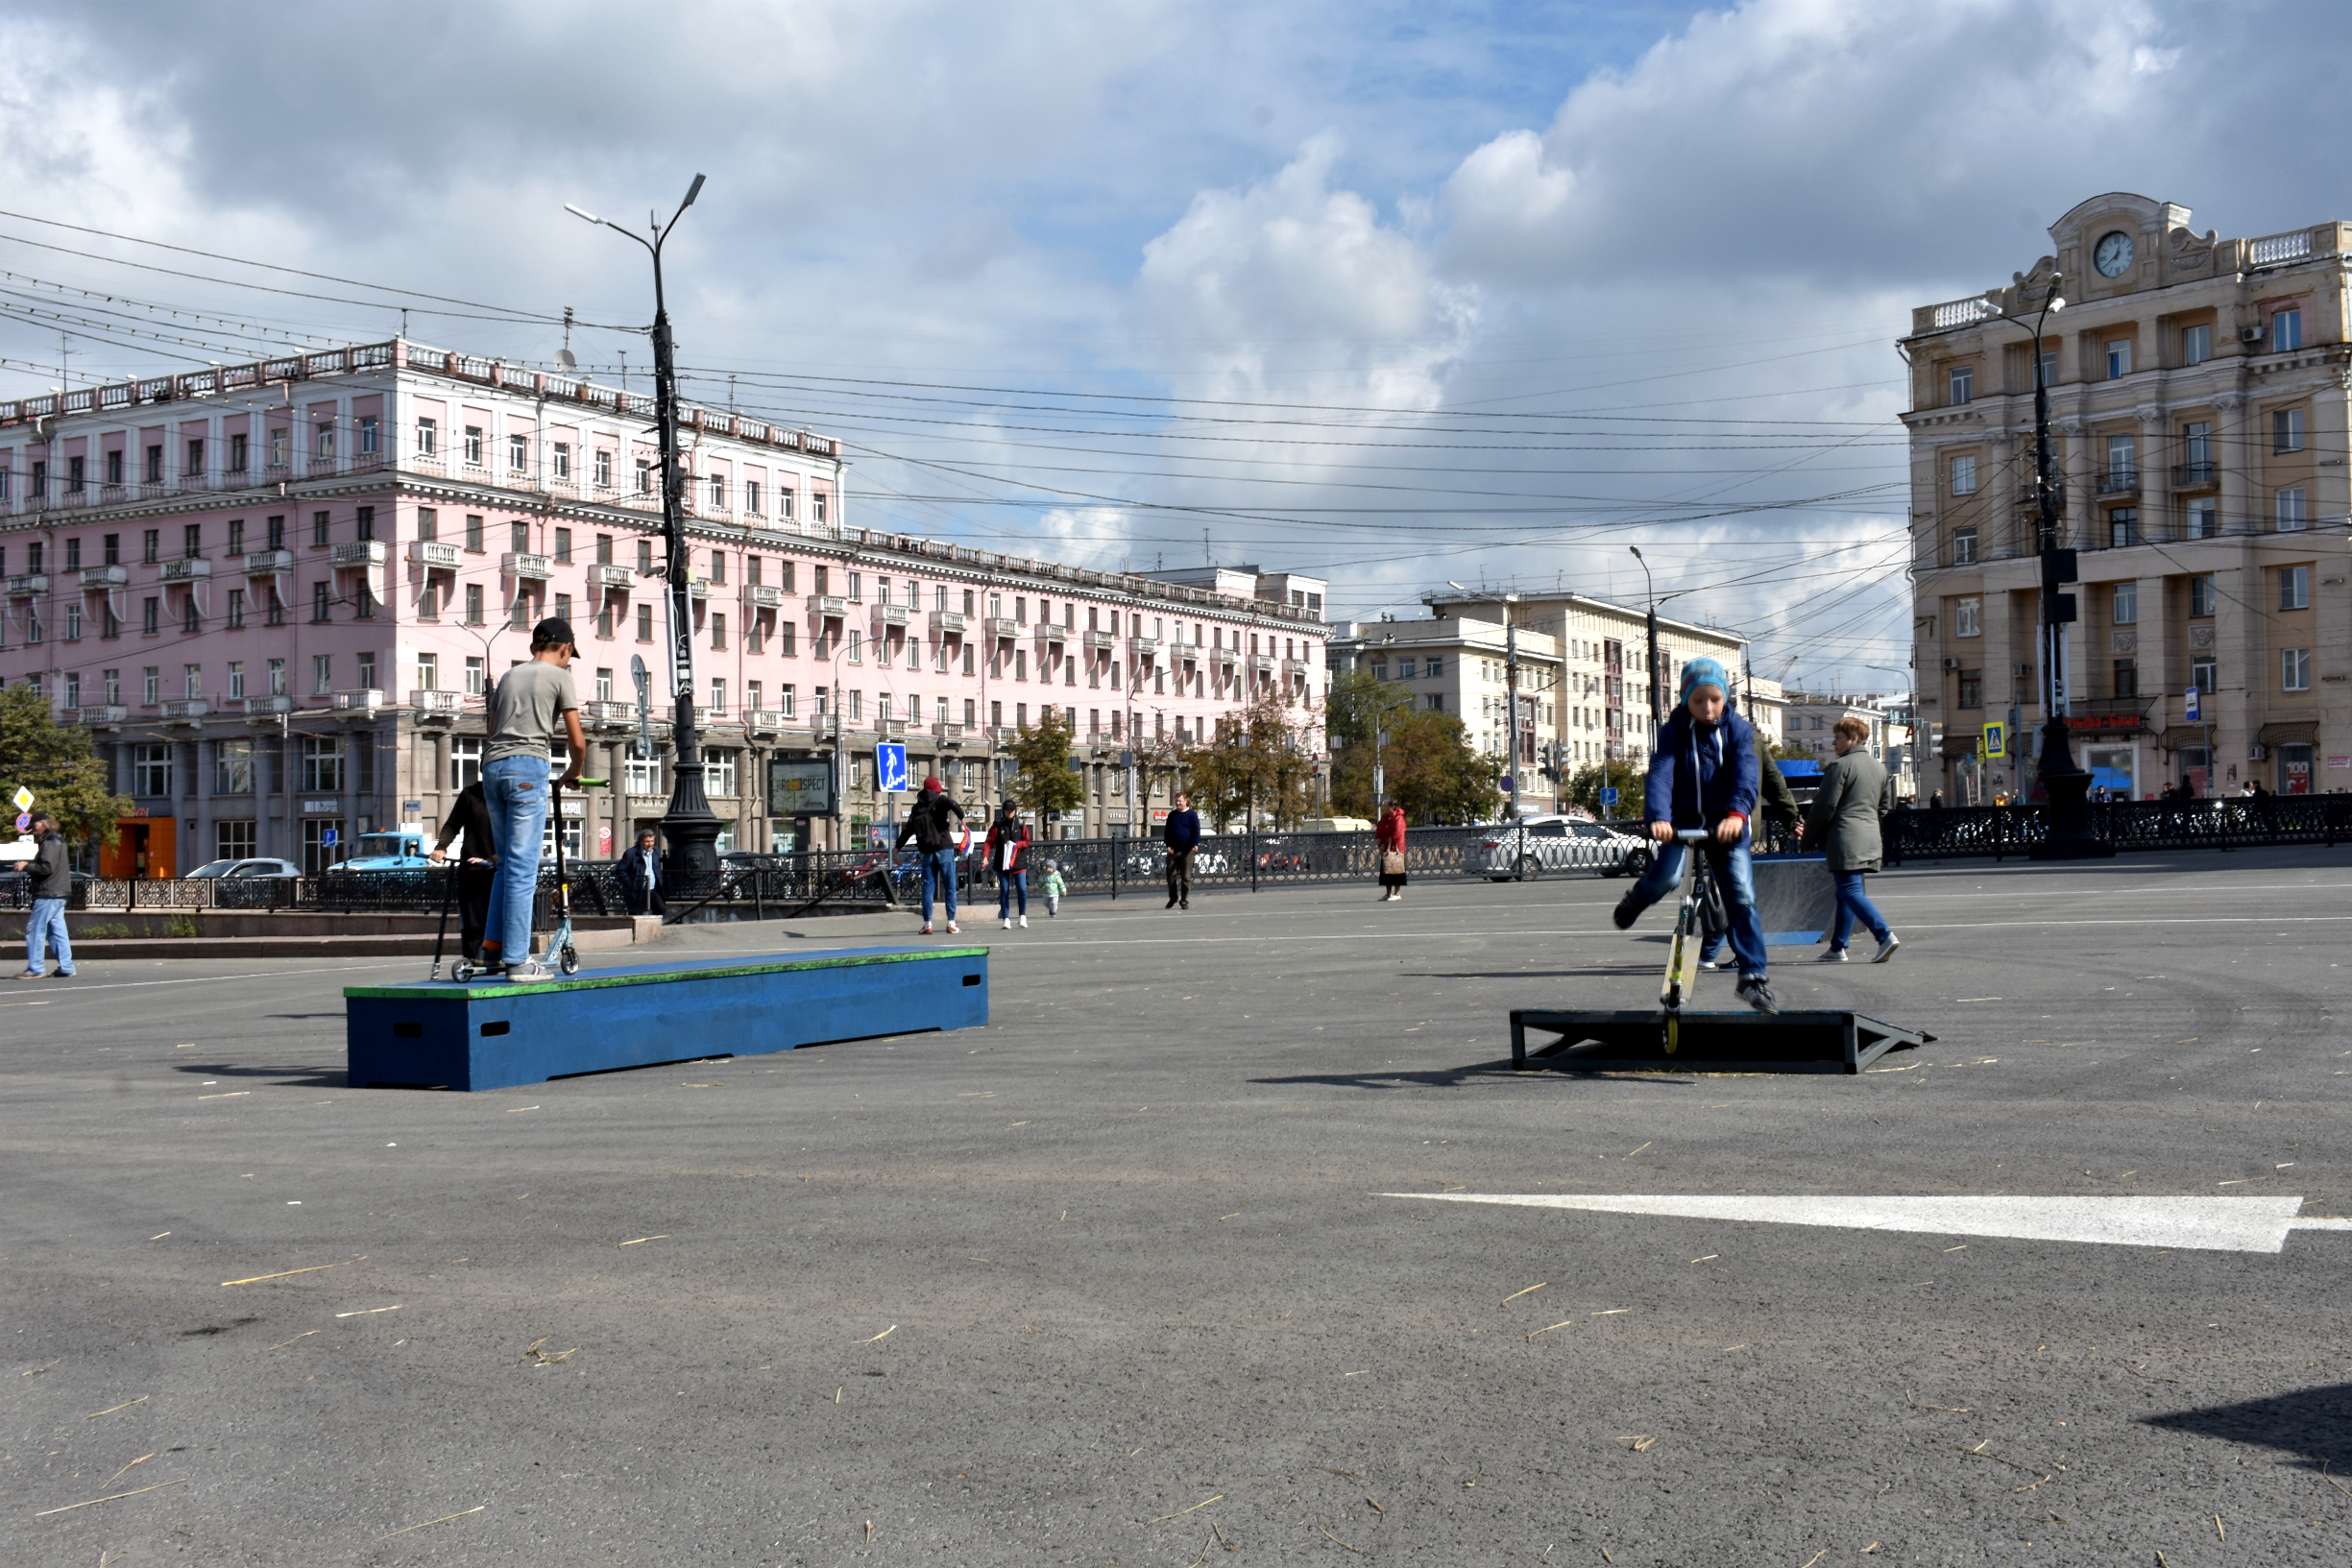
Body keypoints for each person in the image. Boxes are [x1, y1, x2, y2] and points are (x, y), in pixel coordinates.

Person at [1612, 657, 1776, 1014]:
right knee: (1668, 876)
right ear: (1686, 698)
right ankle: (1637, 899)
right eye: (1698, 700)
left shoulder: (1739, 731)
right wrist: (1658, 817)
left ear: (1726, 698)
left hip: (1727, 827)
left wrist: (1737, 814)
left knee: (1742, 895)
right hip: (1682, 824)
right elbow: (1660, 774)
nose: (1707, 708)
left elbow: (1747, 776)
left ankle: (1753, 977)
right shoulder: (1673, 732)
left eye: (1715, 699)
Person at [479, 617, 585, 980]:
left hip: (492, 768)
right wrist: (574, 770)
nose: (569, 661)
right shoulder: (560, 677)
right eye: (569, 655)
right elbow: (577, 741)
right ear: (565, 649)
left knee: (507, 863)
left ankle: (491, 949)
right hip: (528, 769)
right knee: (524, 867)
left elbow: (492, 728)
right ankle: (517, 961)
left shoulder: (510, 676)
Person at [1697, 718, 1800, 971]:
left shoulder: (1703, 733)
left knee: (1731, 892)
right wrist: (1792, 818)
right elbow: (1774, 781)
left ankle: (1738, 956)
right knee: (1727, 890)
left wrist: (1792, 818)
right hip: (1737, 825)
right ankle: (1712, 953)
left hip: (1722, 825)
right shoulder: (1751, 737)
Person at [1804, 715, 1899, 964]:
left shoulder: (1840, 766)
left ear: (1853, 739)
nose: (1833, 742)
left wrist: (1808, 838)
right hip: (1869, 837)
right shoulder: (1879, 767)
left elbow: (1824, 807)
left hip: (1845, 836)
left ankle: (1884, 935)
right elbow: (1883, 808)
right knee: (1844, 891)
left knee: (1849, 889)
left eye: (1838, 737)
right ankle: (1838, 947)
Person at [426, 781, 499, 960]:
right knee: (473, 923)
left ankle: (499, 958)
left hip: (499, 869)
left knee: (498, 920)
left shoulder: (509, 794)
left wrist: (491, 860)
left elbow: (517, 837)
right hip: (471, 870)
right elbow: (452, 824)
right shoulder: (470, 794)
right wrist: (441, 847)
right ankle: (475, 960)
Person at [894, 775, 965, 935]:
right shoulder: (940, 800)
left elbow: (907, 831)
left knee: (928, 887)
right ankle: (951, 923)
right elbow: (953, 804)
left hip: (927, 852)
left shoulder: (916, 808)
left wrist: (897, 848)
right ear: (936, 788)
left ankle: (928, 924)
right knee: (949, 886)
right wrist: (962, 818)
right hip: (944, 848)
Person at [16, 809, 75, 979]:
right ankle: (67, 967)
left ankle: (36, 968)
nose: (34, 830)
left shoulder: (50, 842)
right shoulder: (58, 839)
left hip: (48, 892)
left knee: (35, 929)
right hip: (58, 892)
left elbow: (46, 867)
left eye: (35, 826)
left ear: (42, 824)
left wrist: (25, 866)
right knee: (57, 930)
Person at [984, 803, 1031, 929]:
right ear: (1003, 811)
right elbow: (989, 842)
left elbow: (1027, 841)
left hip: (1019, 863)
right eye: (1007, 810)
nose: (1010, 812)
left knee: (1022, 889)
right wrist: (985, 855)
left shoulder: (1021, 824)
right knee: (1004, 890)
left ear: (1015, 811)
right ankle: (1006, 918)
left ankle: (1022, 916)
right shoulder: (997, 825)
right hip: (1002, 864)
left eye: (1012, 810)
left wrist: (1018, 845)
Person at [614, 828, 667, 919]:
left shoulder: (656, 851)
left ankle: (650, 928)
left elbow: (656, 868)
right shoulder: (631, 853)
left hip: (652, 889)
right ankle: (633, 932)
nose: (650, 844)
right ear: (640, 842)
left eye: (652, 841)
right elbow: (620, 870)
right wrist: (630, 884)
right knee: (636, 914)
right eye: (647, 842)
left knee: (661, 909)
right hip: (638, 890)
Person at [1164, 791, 1201, 908]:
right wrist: (1168, 845)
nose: (1178, 803)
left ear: (1186, 801)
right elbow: (1167, 832)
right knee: (1171, 876)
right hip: (1173, 851)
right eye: (1176, 801)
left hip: (1187, 851)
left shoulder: (1192, 815)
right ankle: (1173, 898)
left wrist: (1195, 844)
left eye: (1180, 801)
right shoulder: (1172, 815)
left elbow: (1196, 831)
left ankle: (1184, 901)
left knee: (1186, 878)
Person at [1375, 803, 1407, 901]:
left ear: (1392, 807)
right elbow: (1379, 828)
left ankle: (1397, 894)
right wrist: (1378, 838)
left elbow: (1397, 835)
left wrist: (1385, 843)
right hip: (1386, 848)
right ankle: (1388, 893)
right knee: (1386, 870)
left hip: (1396, 848)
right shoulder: (1385, 818)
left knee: (1396, 870)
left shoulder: (1399, 819)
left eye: (1386, 806)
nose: (1384, 808)